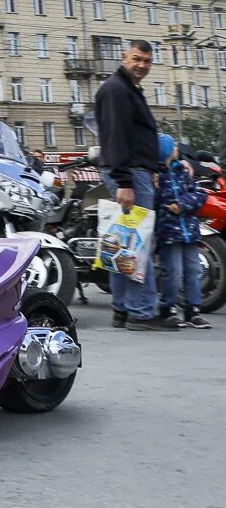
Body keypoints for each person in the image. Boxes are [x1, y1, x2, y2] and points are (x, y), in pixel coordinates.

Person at [95, 39, 177, 331]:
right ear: (124, 57)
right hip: (128, 172)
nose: (142, 65)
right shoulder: (117, 90)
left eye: (147, 60)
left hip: (133, 170)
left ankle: (122, 309)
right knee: (137, 243)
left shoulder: (126, 89)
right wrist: (124, 181)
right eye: (137, 59)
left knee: (123, 240)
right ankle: (141, 312)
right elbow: (116, 137)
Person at [155, 134, 212, 329]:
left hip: (190, 232)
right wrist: (169, 207)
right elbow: (157, 203)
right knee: (173, 272)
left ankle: (193, 310)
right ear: (168, 151)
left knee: (193, 271)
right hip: (169, 234)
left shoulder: (182, 171)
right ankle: (168, 308)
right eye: (174, 147)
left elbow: (199, 194)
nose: (177, 150)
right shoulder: (156, 176)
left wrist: (181, 204)